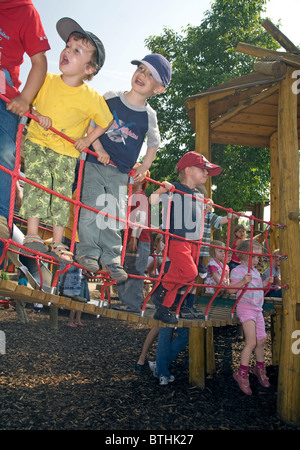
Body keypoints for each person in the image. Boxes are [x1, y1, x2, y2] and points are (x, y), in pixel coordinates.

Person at [19, 17, 113, 263]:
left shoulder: (91, 97)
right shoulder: (46, 80)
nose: (67, 51)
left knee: (61, 195)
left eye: (76, 50)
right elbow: (27, 103)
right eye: (67, 46)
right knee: (38, 184)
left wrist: (87, 139)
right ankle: (31, 234)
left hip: (67, 153)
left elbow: (106, 121)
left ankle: (58, 243)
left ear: (89, 69)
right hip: (39, 142)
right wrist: (37, 115)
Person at [75, 53, 172, 282]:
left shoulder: (149, 116)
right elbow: (92, 124)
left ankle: (111, 258)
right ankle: (88, 252)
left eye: (150, 76)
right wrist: (98, 148)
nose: (142, 75)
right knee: (91, 207)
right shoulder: (111, 98)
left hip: (121, 172)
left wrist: (145, 166)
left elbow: (153, 143)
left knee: (115, 214)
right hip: (95, 163)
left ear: (158, 89)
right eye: (141, 69)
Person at [150, 151, 222, 324]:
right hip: (177, 238)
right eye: (203, 169)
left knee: (184, 275)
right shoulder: (174, 188)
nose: (206, 173)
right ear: (188, 170)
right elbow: (151, 201)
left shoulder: (198, 194)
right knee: (190, 272)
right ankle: (160, 289)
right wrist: (161, 190)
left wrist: (206, 205)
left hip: (194, 241)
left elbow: (197, 217)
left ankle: (163, 308)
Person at [0, 0, 50, 241]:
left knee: (7, 150)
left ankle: (1, 216)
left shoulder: (25, 11)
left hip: (4, 93)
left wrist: (25, 98)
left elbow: (39, 62)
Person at [230, 239, 273, 395]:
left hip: (257, 309)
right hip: (246, 308)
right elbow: (230, 291)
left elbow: (257, 288)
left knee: (261, 340)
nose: (257, 260)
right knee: (252, 342)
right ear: (243, 255)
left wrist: (265, 282)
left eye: (258, 257)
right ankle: (241, 374)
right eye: (254, 257)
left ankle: (259, 368)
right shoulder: (237, 271)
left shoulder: (255, 272)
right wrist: (242, 281)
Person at [116, 164, 151, 312]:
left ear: (142, 179)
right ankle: (126, 301)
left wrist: (134, 237)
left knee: (135, 270)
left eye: (134, 174)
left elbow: (139, 217)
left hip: (139, 239)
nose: (130, 176)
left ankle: (133, 304)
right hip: (133, 238)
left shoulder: (140, 196)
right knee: (128, 268)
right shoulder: (133, 196)